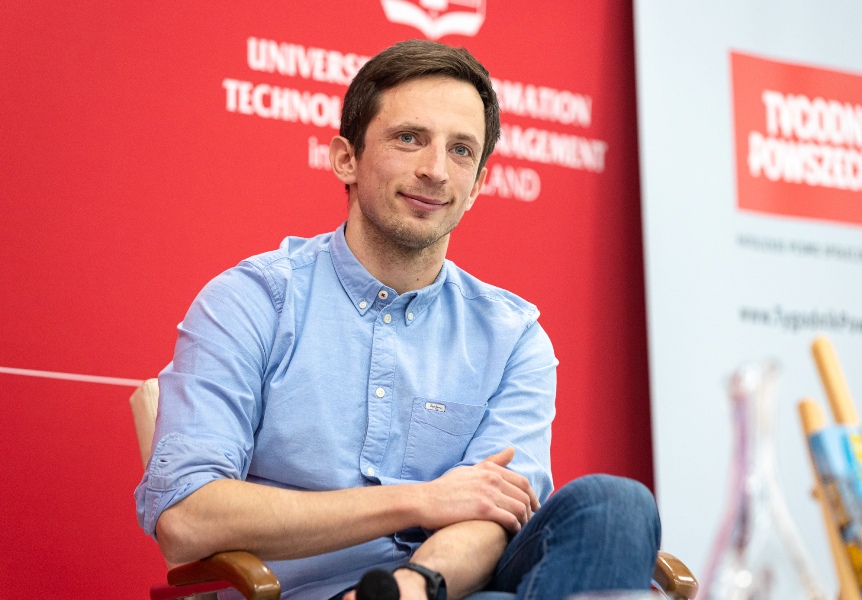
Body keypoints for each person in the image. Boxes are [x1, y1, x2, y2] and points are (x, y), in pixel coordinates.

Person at [135, 39, 660, 600]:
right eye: (409, 138)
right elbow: (187, 519)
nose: (435, 170)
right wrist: (418, 501)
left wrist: (408, 587)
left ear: (478, 185)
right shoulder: (253, 301)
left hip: (445, 586)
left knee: (617, 505)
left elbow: (495, 515)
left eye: (461, 150)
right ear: (347, 158)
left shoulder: (513, 338)